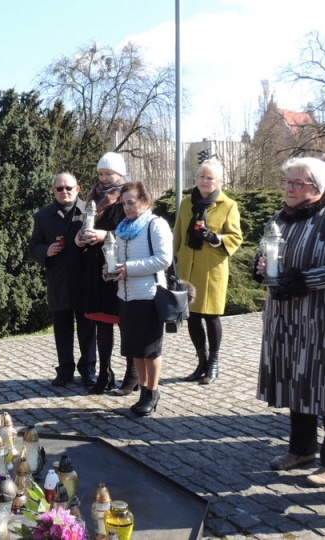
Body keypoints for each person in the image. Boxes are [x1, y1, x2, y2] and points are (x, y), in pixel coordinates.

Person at [254, 154, 325, 487]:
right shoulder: (281, 217)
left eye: (297, 182)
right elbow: (267, 255)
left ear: (316, 187)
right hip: (286, 318)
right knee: (295, 379)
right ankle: (302, 449)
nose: (289, 188)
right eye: (287, 181)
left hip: (324, 320)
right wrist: (262, 268)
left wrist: (305, 279)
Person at [172, 157, 243, 385]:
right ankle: (201, 361)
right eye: (202, 176)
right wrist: (171, 261)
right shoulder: (186, 203)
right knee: (192, 316)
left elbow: (236, 237)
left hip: (212, 268)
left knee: (211, 316)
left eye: (210, 178)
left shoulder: (228, 205)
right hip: (188, 267)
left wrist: (214, 238)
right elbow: (178, 233)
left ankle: (213, 362)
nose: (205, 181)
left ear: (219, 181)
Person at [109, 181, 172, 416]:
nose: (127, 207)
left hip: (150, 295)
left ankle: (152, 393)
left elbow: (164, 259)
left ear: (146, 202)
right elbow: (116, 257)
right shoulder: (123, 228)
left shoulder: (156, 225)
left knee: (151, 349)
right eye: (123, 203)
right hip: (126, 295)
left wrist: (130, 268)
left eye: (131, 202)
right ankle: (143, 390)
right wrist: (111, 269)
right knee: (135, 348)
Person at [76, 152, 136, 396]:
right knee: (102, 323)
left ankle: (133, 374)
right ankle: (105, 373)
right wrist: (81, 237)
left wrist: (103, 236)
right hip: (94, 267)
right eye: (100, 173)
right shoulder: (93, 198)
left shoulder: (126, 197)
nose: (103, 178)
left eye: (108, 173)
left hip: (119, 267)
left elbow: (132, 229)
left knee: (125, 323)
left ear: (119, 174)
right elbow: (84, 226)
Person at [29, 172, 96, 388]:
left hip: (85, 280)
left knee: (87, 329)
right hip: (59, 281)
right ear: (53, 191)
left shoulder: (90, 212)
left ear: (78, 189)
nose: (64, 192)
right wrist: (45, 250)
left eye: (69, 188)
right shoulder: (43, 216)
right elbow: (33, 246)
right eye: (60, 189)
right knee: (62, 329)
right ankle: (64, 370)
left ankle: (89, 371)